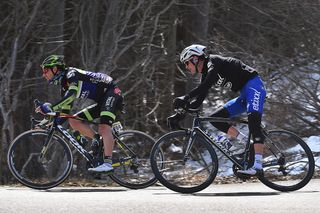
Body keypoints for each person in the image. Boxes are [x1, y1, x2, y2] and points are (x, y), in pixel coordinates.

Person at [173, 44, 267, 175]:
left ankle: (258, 166)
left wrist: (186, 97)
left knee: (253, 122)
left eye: (186, 63)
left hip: (254, 86)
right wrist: (179, 114)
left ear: (195, 59)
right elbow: (197, 103)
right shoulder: (206, 72)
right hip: (244, 95)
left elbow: (206, 85)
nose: (186, 67)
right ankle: (247, 142)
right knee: (215, 119)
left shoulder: (213, 62)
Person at [36, 55, 123, 173]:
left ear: (55, 69)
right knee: (74, 120)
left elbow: (72, 94)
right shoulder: (64, 87)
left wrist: (51, 107)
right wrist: (47, 122)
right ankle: (97, 139)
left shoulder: (71, 74)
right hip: (102, 100)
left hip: (112, 92)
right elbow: (64, 114)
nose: (43, 74)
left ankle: (108, 164)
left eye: (46, 70)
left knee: (104, 127)